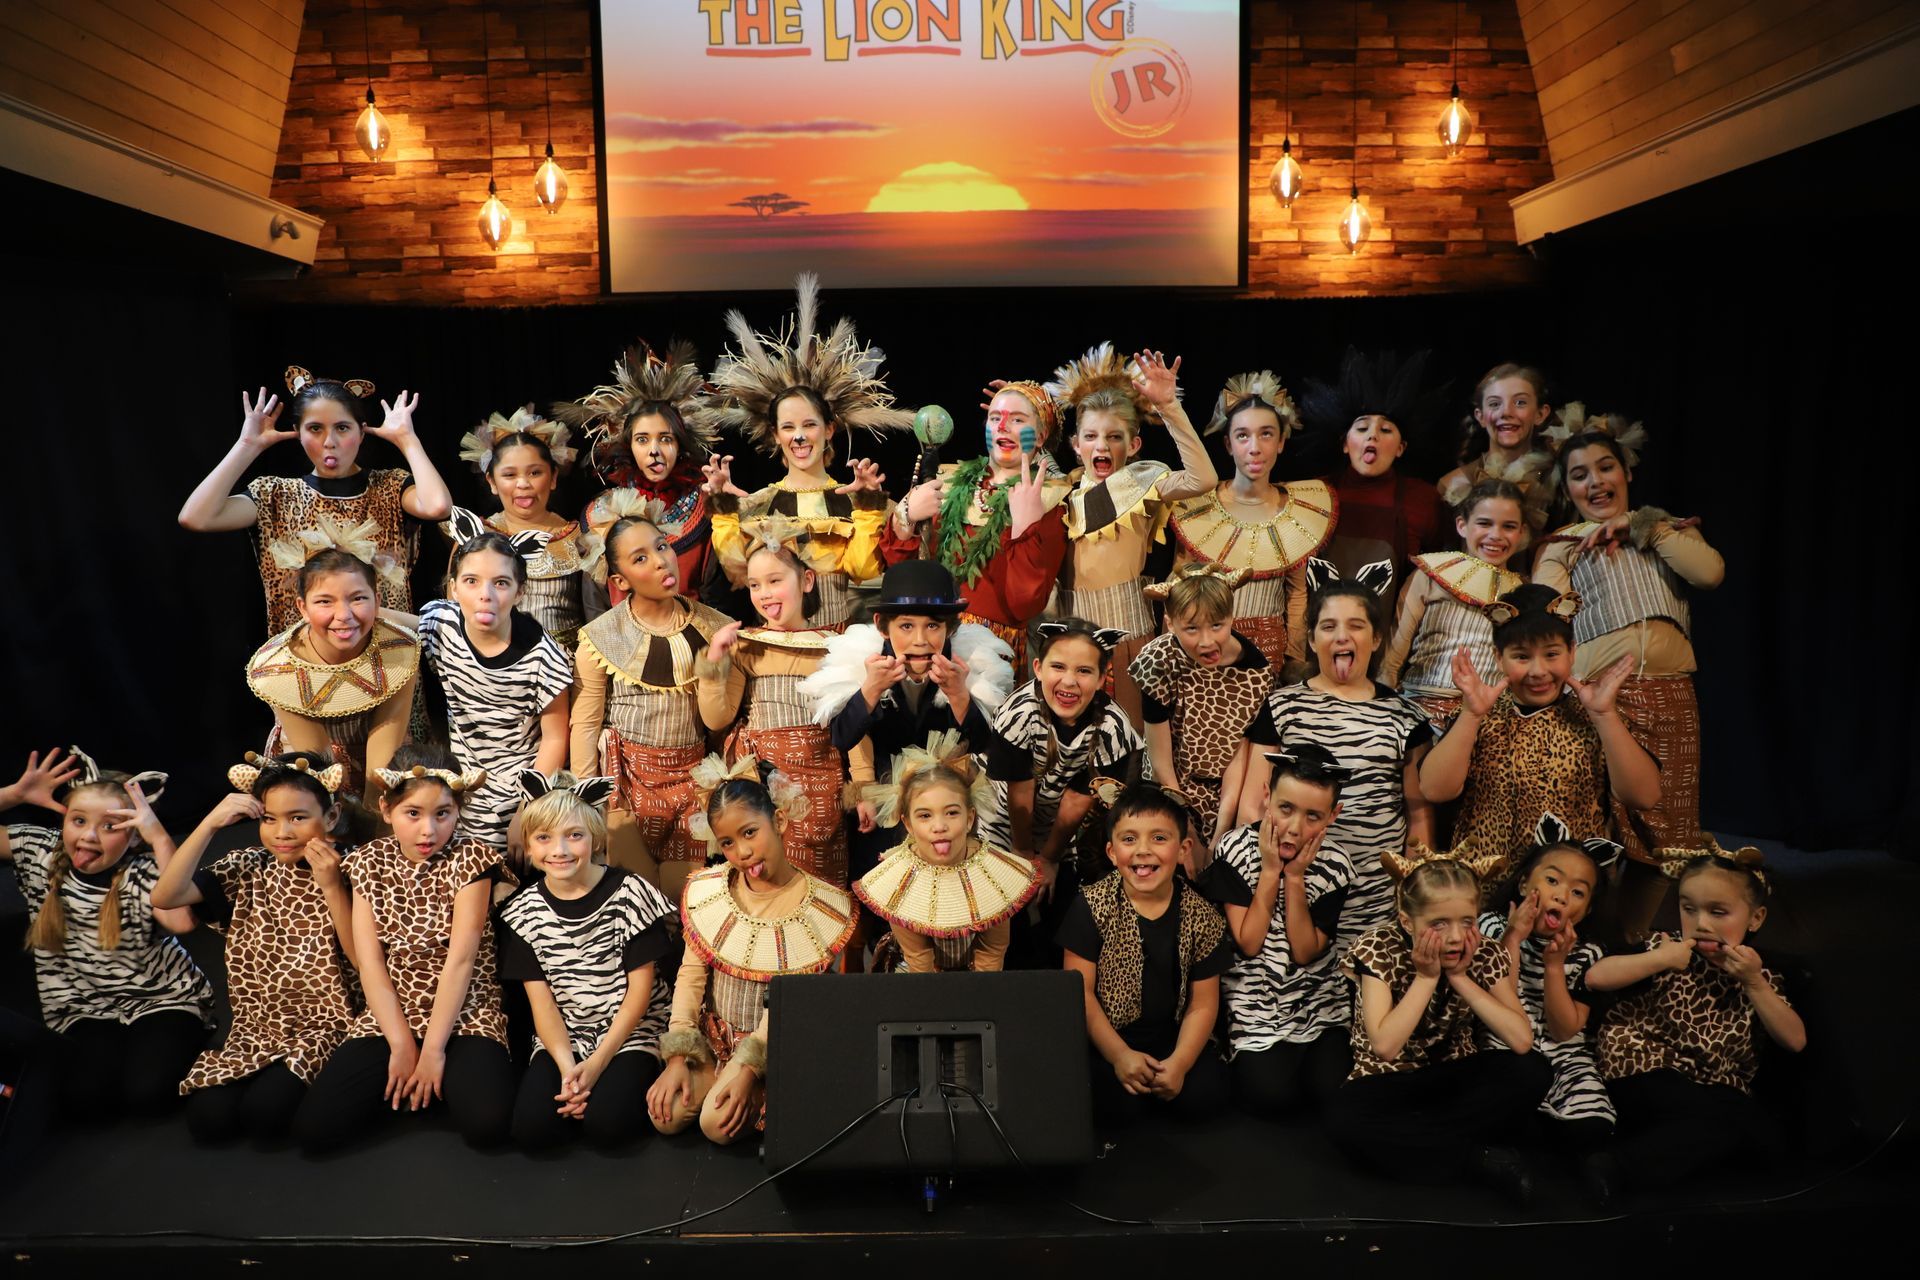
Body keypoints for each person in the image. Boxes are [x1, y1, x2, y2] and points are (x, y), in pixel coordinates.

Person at [1534, 409, 1724, 936]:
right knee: (1589, 825)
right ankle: (1574, 945)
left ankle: (1627, 943)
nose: (1595, 481)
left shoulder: (1664, 532)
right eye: (1579, 474)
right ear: (1567, 488)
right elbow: (1547, 612)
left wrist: (1643, 526)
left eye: (1604, 467)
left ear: (1626, 473)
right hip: (1597, 701)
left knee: (1668, 830)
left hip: (1670, 695)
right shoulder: (1562, 546)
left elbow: (1709, 573)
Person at [293, 746, 514, 1154]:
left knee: (487, 1125)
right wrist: (400, 1043)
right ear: (386, 808)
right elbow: (371, 962)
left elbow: (461, 960)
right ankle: (414, 1088)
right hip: (393, 1009)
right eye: (413, 814)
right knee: (315, 1130)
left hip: (464, 1009)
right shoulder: (367, 861)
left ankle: (431, 1083)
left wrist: (431, 1051)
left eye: (442, 814)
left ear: (457, 811)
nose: (428, 831)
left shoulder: (471, 859)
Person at [153, 753, 362, 1144]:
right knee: (208, 1121)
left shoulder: (352, 867)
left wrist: (333, 887)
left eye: (298, 818)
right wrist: (209, 824)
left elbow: (364, 965)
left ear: (330, 818)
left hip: (327, 1026)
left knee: (264, 1116)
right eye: (269, 819)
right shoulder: (250, 866)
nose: (282, 832)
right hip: (257, 1028)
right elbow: (165, 896)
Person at [646, 759, 857, 1145]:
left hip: (770, 1045)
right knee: (667, 1114)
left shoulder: (816, 909)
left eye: (750, 833)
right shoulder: (709, 894)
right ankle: (719, 1083)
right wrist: (679, 1054)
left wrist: (748, 1070)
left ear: (778, 821)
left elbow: (789, 1005)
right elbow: (691, 977)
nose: (742, 851)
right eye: (727, 842)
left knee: (715, 1125)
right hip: (717, 1039)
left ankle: (764, 1092)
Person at [1584, 844, 1806, 1199]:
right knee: (1716, 1122)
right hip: (1643, 1066)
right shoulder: (1665, 947)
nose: (1701, 923)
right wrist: (1659, 960)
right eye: (1689, 909)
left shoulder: (1759, 975)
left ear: (1755, 918)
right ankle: (1617, 1165)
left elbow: (1795, 1040)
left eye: (1718, 912)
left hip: (1714, 1084)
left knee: (1765, 1140)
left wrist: (1754, 984)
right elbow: (1596, 977)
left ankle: (1664, 1153)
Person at [0, 747, 210, 1122]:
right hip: (83, 1007)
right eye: (78, 821)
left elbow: (182, 923)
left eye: (110, 827)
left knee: (149, 1095)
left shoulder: (143, 871)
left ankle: (187, 1044)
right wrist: (13, 796)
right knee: (87, 1102)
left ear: (133, 837)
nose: (89, 836)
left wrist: (159, 839)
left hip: (159, 999)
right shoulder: (40, 853)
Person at [1327, 854, 1550, 1203]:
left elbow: (1521, 1040)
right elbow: (1385, 1045)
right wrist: (1426, 977)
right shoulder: (1379, 947)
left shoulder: (1485, 952)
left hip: (1451, 1075)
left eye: (1467, 921)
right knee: (1344, 1119)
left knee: (1533, 1070)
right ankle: (1475, 1158)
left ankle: (1428, 1147)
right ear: (1407, 920)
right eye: (1439, 924)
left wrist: (1460, 977)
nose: (1456, 937)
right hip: (1388, 1078)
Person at [1417, 583, 1661, 896]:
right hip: (1482, 895)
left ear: (1572, 652)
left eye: (1551, 654)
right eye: (1521, 656)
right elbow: (1435, 789)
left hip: (1565, 901)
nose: (1538, 671)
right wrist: (1471, 715)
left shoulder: (1594, 719)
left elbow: (1645, 796)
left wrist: (1604, 716)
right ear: (1498, 657)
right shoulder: (1482, 716)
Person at [696, 273, 910, 628]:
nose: (799, 437)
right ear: (775, 435)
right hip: (776, 647)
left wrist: (870, 509)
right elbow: (736, 570)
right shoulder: (758, 505)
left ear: (829, 430)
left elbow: (863, 570)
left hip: (837, 650)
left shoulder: (851, 500)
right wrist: (723, 509)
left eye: (809, 425)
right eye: (788, 427)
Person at [1235, 583, 1434, 946]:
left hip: (1375, 899)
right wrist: (1266, 877)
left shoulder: (1406, 717)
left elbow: (1418, 812)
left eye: (1356, 626)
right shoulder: (1281, 707)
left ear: (1375, 640)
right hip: (1295, 892)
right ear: (1311, 640)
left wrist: (1412, 888)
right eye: (1328, 627)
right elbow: (1253, 803)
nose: (1342, 636)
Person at [178, 368, 450, 631]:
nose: (329, 441)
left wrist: (407, 440)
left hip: (387, 663)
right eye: (315, 428)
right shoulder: (275, 495)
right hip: (304, 665)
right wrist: (247, 446)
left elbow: (437, 506)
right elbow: (197, 517)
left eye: (342, 428)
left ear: (361, 431)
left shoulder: (390, 487)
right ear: (298, 431)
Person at [498, 770, 675, 1152]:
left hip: (630, 1032)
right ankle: (577, 1095)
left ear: (594, 838)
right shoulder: (523, 911)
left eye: (573, 835)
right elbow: (541, 1005)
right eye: (544, 838)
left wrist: (595, 1066)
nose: (559, 850)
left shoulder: (630, 893)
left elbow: (639, 994)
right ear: (528, 845)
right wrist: (568, 1070)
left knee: (608, 1127)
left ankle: (614, 1091)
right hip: (568, 1032)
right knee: (531, 1131)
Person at [697, 519, 873, 886]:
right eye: (755, 585)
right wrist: (714, 662)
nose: (764, 593)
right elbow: (717, 718)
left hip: (820, 781)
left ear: (806, 581)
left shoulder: (834, 646)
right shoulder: (747, 644)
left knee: (820, 885)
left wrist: (865, 789)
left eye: (775, 581)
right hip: (764, 781)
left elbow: (854, 724)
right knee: (767, 878)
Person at [1045, 344, 1216, 718]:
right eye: (1090, 437)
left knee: (1130, 749)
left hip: (1130, 642)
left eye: (1114, 437)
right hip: (1073, 644)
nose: (1101, 445)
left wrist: (1170, 408)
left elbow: (1204, 478)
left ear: (1134, 445)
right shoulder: (1058, 495)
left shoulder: (1144, 484)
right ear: (1076, 446)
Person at [570, 509, 734, 896]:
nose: (661, 560)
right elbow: (586, 722)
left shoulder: (713, 628)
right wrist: (587, 802)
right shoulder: (600, 637)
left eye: (662, 547)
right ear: (619, 580)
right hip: (626, 785)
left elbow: (716, 722)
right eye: (640, 558)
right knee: (638, 901)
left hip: (691, 783)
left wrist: (714, 666)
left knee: (686, 898)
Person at [1192, 745, 1356, 1118]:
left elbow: (1304, 951)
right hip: (1253, 999)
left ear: (1334, 815)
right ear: (1267, 797)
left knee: (1330, 1090)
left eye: (1313, 816)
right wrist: (1270, 872)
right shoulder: (1234, 850)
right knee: (1270, 1097)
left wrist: (1294, 876)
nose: (1295, 828)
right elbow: (1248, 943)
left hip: (1317, 1000)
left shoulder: (1337, 864)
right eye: (1286, 809)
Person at [1057, 785, 1234, 1125]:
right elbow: (1080, 994)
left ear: (1183, 848)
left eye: (1158, 838)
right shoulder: (1092, 906)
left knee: (1207, 1096)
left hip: (1172, 1038)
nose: (1142, 851)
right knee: (1110, 1102)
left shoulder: (1202, 915)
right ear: (1111, 852)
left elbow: (1203, 1003)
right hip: (1110, 1038)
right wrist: (1120, 1055)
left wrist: (1180, 1062)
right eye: (1129, 840)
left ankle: (1167, 1078)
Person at [885, 379, 1072, 672]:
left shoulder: (1048, 500)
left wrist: (1024, 529)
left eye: (1018, 419)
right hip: (931, 642)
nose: (1002, 426)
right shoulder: (947, 481)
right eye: (995, 418)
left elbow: (1023, 604)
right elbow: (902, 568)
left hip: (992, 654)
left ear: (1040, 436)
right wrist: (906, 514)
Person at [1476, 815, 1623, 1164]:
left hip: (1566, 1058)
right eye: (1552, 880)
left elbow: (1564, 1028)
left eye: (1576, 892)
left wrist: (1555, 966)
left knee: (1594, 1126)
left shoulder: (1590, 953)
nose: (1561, 895)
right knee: (1504, 1102)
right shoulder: (1492, 926)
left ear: (1586, 910)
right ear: (1525, 884)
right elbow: (1502, 1000)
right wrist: (1514, 937)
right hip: (1505, 1046)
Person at [418, 532, 572, 855]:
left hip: (517, 793)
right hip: (456, 787)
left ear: (520, 592)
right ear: (454, 587)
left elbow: (555, 739)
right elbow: (400, 627)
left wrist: (527, 811)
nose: (485, 595)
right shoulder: (439, 623)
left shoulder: (544, 658)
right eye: (471, 581)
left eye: (501, 583)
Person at [1167, 369, 1332, 670]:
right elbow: (1179, 582)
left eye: (1266, 434)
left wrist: (1295, 661)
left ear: (1281, 441)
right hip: (1206, 645)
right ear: (1229, 444)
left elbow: (1297, 595)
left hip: (1267, 650)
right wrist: (1174, 646)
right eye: (1242, 436)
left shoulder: (1296, 514)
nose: (1254, 448)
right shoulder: (1199, 507)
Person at [244, 527, 419, 806]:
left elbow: (383, 754)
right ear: (302, 607)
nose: (344, 616)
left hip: (383, 763)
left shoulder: (399, 651)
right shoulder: (281, 669)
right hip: (310, 769)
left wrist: (376, 823)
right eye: (325, 601)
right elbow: (319, 765)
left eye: (358, 598)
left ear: (377, 600)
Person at [853, 732, 1042, 972]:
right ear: (908, 824)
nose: (939, 826)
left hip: (978, 977)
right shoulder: (897, 882)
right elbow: (919, 960)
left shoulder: (994, 876)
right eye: (924, 816)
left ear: (970, 817)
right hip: (917, 974)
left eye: (952, 813)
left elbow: (992, 954)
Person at [983, 619, 1144, 898]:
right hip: (1002, 814)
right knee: (1005, 895)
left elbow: (1077, 799)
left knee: (1061, 899)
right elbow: (1019, 794)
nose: (1069, 681)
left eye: (1084, 671)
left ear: (1102, 678)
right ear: (1038, 669)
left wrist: (1048, 857)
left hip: (1057, 826)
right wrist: (1022, 853)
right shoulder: (1017, 715)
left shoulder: (1113, 730)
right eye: (1058, 667)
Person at [561, 338, 722, 607]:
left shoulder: (706, 507)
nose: (654, 450)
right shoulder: (602, 513)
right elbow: (595, 603)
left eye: (666, 439)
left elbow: (717, 599)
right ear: (628, 446)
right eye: (643, 440)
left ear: (680, 445)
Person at [1130, 563, 1276, 846]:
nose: (1207, 641)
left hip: (1222, 797)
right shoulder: (1159, 660)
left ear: (1232, 617)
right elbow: (1160, 762)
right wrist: (1184, 828)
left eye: (1217, 625)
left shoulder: (1258, 674)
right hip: (1165, 788)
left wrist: (1220, 832)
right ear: (1171, 623)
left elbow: (1238, 755)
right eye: (1192, 629)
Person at [1297, 347, 1449, 608]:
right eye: (1362, 427)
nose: (1373, 435)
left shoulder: (1424, 500)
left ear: (1401, 448)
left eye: (1386, 429)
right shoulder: (1311, 495)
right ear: (1345, 443)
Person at [443, 407, 602, 652]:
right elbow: (454, 617)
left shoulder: (580, 538)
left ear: (553, 477)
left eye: (535, 472)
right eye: (509, 474)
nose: (523, 484)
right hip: (492, 670)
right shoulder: (474, 536)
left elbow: (597, 615)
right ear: (492, 482)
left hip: (567, 671)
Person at [1380, 477, 1528, 732]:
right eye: (1484, 523)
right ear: (1461, 525)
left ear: (1521, 533)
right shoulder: (1431, 575)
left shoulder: (1525, 593)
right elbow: (1393, 657)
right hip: (1419, 713)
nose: (1496, 535)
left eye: (1509, 526)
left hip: (1491, 721)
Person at [1436, 362, 1556, 540]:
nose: (1506, 412)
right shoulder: (1453, 485)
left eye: (1520, 402)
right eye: (1494, 404)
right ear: (1480, 416)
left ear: (1540, 413)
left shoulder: (1558, 478)